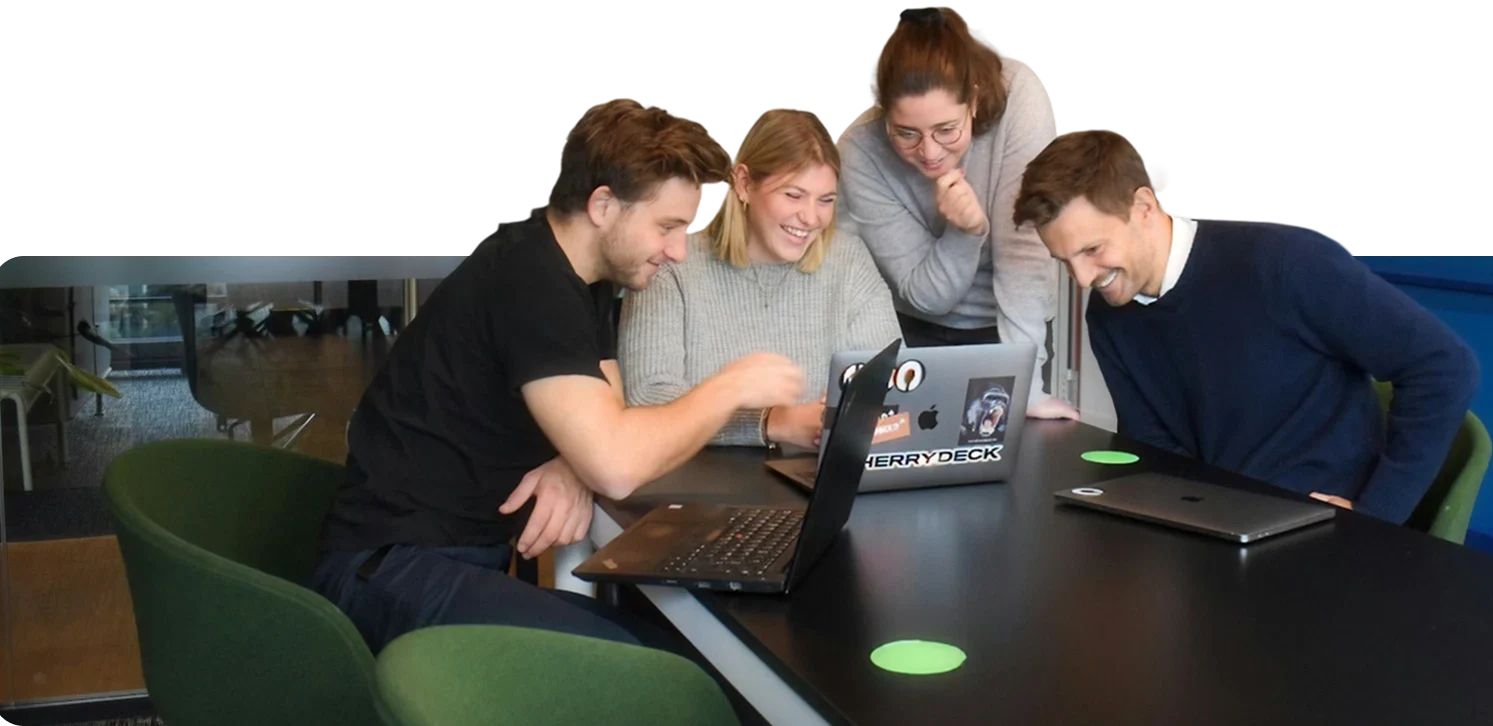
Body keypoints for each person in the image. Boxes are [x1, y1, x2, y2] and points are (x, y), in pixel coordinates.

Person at [306, 97, 808, 658]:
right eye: (667, 226)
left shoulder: (580, 278)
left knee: (674, 653)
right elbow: (617, 466)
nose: (677, 251)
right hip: (388, 572)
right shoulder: (531, 282)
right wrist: (732, 386)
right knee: (657, 669)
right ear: (602, 205)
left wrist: (575, 461)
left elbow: (609, 408)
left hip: (445, 561)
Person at [1011, 129, 1481, 524]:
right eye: (1064, 260)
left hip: (1324, 536)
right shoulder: (1109, 315)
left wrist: (1375, 516)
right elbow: (1155, 451)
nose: (1083, 278)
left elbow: (1443, 367)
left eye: (1092, 250)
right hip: (1223, 530)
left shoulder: (1283, 263)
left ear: (1145, 208)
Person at [836, 6, 1078, 421]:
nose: (929, 153)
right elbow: (928, 296)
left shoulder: (1020, 95)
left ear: (976, 100)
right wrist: (966, 231)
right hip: (914, 331)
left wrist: (1026, 387)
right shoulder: (861, 151)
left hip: (1015, 330)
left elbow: (1025, 254)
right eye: (906, 133)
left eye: (946, 130)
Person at [619, 106, 902, 450]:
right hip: (697, 483)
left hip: (814, 478)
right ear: (744, 183)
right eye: (793, 195)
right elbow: (647, 401)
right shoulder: (671, 264)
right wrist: (771, 422)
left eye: (825, 200)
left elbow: (896, 385)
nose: (811, 217)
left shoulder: (848, 260)